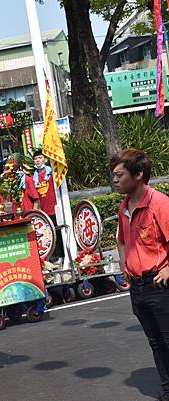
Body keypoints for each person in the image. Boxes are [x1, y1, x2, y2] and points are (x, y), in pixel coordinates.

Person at [112, 149, 169, 401]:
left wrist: (168, 268)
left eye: (119, 174)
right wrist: (126, 266)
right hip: (138, 287)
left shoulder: (159, 203)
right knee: (155, 342)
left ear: (138, 174)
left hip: (160, 285)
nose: (114, 179)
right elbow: (121, 240)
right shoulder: (124, 206)